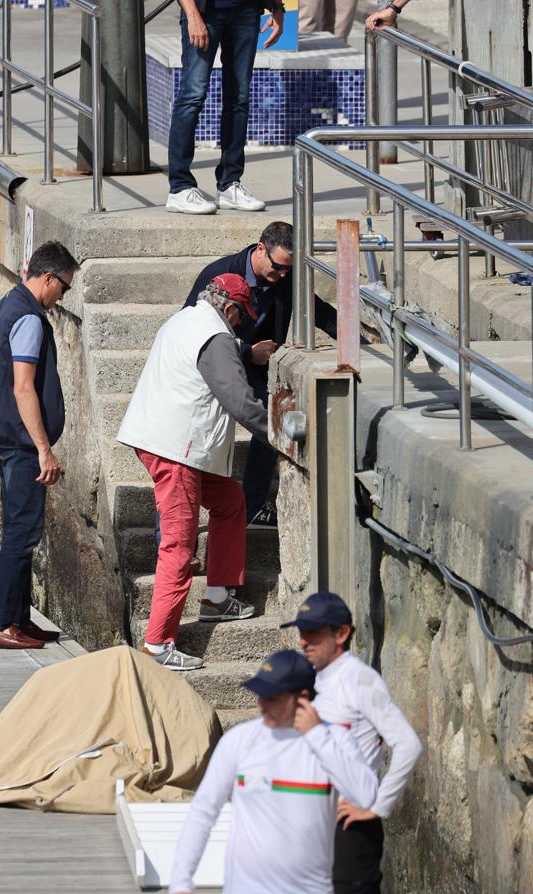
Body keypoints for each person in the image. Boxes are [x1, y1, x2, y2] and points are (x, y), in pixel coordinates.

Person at [117, 274, 270, 671]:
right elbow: (238, 399)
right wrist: (277, 433)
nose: (239, 325)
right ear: (230, 309)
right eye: (240, 318)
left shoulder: (185, 319)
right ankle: (158, 643)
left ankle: (217, 597)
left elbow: (222, 346)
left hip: (162, 438)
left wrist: (246, 350)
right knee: (179, 545)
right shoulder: (216, 337)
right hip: (177, 449)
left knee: (230, 502)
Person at [169, 649, 378, 894]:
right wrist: (181, 884)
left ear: (302, 698)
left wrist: (316, 736)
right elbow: (203, 811)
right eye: (260, 694)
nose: (261, 704)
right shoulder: (239, 740)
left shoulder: (335, 741)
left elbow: (366, 797)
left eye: (272, 698)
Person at [184, 220, 338, 527]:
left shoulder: (286, 276)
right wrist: (244, 351)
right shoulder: (219, 274)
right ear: (260, 249)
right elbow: (190, 330)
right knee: (188, 448)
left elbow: (318, 311)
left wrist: (358, 343)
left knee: (273, 413)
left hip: (257, 363)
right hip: (215, 364)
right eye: (278, 267)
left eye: (288, 270)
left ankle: (253, 503)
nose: (282, 275)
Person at [281, 591, 423, 894]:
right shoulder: (314, 681)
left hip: (349, 826)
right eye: (302, 632)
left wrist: (377, 807)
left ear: (341, 634)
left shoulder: (360, 680)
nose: (304, 640)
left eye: (314, 632)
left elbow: (409, 745)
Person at [0, 241, 80, 650]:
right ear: (49, 277)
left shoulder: (7, 304)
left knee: (24, 528)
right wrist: (44, 449)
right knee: (22, 532)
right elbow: (23, 388)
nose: (63, 296)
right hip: (21, 444)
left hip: (7, 439)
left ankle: (18, 619)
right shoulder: (30, 319)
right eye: (64, 288)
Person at [166, 0, 285, 215]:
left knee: (239, 98)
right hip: (206, 12)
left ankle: (230, 184)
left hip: (245, 10)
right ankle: (180, 188)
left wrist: (277, 6)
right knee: (192, 96)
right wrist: (192, 15)